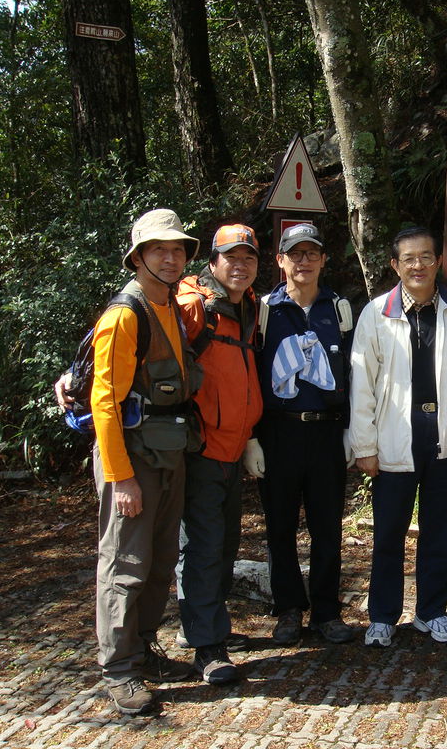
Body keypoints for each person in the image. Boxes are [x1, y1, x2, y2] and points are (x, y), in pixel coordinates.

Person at [89, 209, 202, 715]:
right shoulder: (125, 314)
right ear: (138, 258)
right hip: (132, 459)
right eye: (160, 249)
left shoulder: (170, 307)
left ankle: (144, 649)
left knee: (157, 561)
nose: (171, 256)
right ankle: (118, 671)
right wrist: (121, 479)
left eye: (178, 249)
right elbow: (104, 403)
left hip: (168, 452)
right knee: (125, 564)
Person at [350, 226, 447, 648]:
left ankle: (432, 612)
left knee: (439, 533)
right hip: (394, 439)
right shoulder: (376, 313)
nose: (418, 265)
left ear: (438, 261)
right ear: (395, 265)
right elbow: (362, 384)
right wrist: (364, 445)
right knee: (388, 533)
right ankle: (383, 616)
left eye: (426, 256)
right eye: (409, 258)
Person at [256, 223, 355, 645]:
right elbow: (252, 374)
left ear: (323, 260)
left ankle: (327, 611)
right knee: (280, 528)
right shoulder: (263, 311)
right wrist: (251, 438)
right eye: (295, 254)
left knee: (327, 527)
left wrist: (354, 430)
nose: (304, 261)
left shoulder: (340, 309)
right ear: (280, 260)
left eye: (312, 253)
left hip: (327, 434)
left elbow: (356, 373)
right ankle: (289, 610)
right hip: (279, 434)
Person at [173, 224, 264, 684]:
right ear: (212, 263)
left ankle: (204, 629)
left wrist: (249, 436)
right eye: (231, 257)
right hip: (201, 448)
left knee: (225, 545)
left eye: (248, 257)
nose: (240, 265)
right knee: (205, 548)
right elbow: (136, 340)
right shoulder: (193, 306)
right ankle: (208, 648)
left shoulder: (247, 307)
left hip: (232, 448)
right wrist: (75, 377)